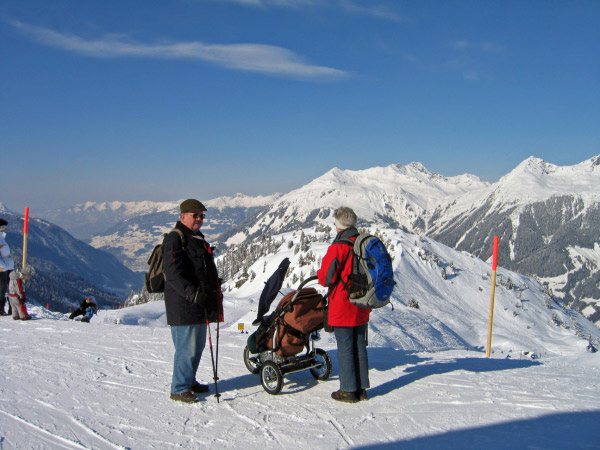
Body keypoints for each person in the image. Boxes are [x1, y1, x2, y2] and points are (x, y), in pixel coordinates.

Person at [163, 199, 223, 403]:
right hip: (184, 306)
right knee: (186, 349)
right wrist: (193, 293)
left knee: (197, 347)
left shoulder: (195, 238)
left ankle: (188, 381)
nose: (199, 219)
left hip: (198, 304)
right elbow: (173, 274)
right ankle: (179, 388)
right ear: (183, 217)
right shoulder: (175, 238)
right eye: (194, 215)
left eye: (201, 215)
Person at [317, 206, 370, 403]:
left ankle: (348, 390)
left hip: (343, 305)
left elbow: (325, 278)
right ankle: (362, 389)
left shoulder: (338, 247)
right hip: (362, 303)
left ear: (338, 226)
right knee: (359, 345)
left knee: (346, 347)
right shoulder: (363, 243)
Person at [0, 219, 15, 315]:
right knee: (2, 288)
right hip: (2, 266)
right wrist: (2, 266)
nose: (5, 229)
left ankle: (12, 308)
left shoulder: (2, 238)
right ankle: (1, 309)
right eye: (3, 227)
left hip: (7, 265)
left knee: (11, 287)